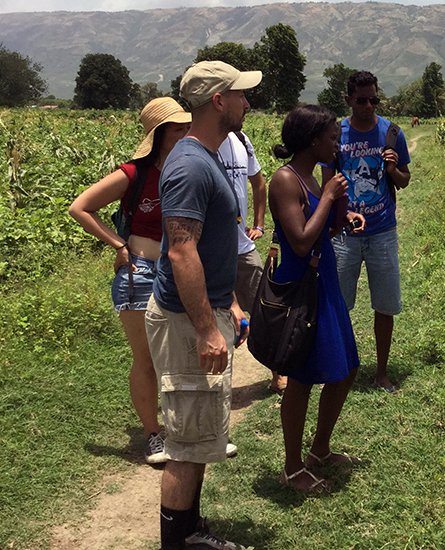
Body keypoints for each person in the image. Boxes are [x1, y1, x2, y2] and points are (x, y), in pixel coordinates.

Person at [145, 61, 260, 550]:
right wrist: (206, 330)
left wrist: (227, 303)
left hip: (202, 311)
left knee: (199, 436)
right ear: (218, 100)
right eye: (240, 94)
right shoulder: (192, 165)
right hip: (185, 322)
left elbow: (211, 247)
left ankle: (190, 529)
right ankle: (179, 541)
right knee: (186, 445)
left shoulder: (204, 155)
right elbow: (181, 250)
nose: (247, 102)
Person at [69, 97, 191, 465]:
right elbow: (80, 207)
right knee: (147, 359)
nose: (186, 131)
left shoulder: (190, 168)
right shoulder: (133, 174)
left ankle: (184, 428)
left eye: (187, 125)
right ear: (159, 134)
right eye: (177, 127)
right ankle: (153, 434)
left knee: (182, 352)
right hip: (141, 273)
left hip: (179, 271)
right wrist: (117, 243)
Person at [269, 105, 365, 493]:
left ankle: (319, 449)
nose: (336, 143)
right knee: (303, 378)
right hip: (301, 288)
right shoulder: (285, 180)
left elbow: (319, 227)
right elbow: (300, 238)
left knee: (347, 369)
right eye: (330, 137)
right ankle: (292, 468)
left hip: (323, 280)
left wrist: (343, 217)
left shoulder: (309, 177)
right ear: (311, 140)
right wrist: (328, 197)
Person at [322, 71, 410, 393]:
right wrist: (336, 219)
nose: (369, 105)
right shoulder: (336, 134)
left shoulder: (391, 132)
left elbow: (404, 179)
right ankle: (339, 366)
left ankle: (381, 373)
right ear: (348, 100)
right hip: (345, 235)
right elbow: (327, 184)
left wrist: (392, 168)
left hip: (382, 231)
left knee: (384, 305)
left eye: (374, 99)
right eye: (362, 100)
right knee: (338, 305)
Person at [217, 129, 286, 393]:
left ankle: (277, 372)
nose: (246, 106)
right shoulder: (197, 142)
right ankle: (218, 383)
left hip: (243, 248)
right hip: (212, 249)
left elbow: (259, 182)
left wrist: (259, 223)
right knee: (217, 316)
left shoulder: (241, 140)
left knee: (265, 308)